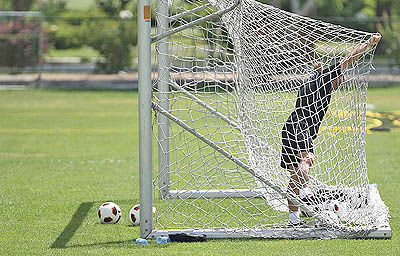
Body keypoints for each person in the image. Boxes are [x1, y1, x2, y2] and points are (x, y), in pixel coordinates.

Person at [281, 33, 381, 226]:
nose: (342, 81)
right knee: (307, 160)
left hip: (290, 126)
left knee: (295, 176)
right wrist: (368, 43)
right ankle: (306, 194)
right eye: (341, 77)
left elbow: (320, 70)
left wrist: (318, 68)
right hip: (301, 125)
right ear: (333, 75)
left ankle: (294, 220)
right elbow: (349, 58)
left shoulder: (317, 78)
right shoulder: (327, 78)